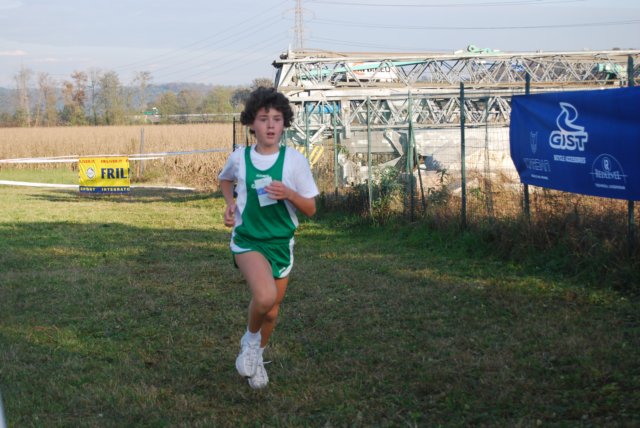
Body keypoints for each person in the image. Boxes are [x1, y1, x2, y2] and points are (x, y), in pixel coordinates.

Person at [218, 87, 319, 389]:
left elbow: (311, 209)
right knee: (264, 297)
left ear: (285, 123)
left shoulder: (295, 161)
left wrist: (289, 194)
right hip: (248, 240)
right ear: (252, 123)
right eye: (264, 119)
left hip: (281, 245)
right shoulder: (240, 158)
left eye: (277, 119)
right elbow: (225, 180)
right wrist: (230, 204)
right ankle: (249, 343)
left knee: (272, 312)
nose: (271, 125)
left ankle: (257, 357)